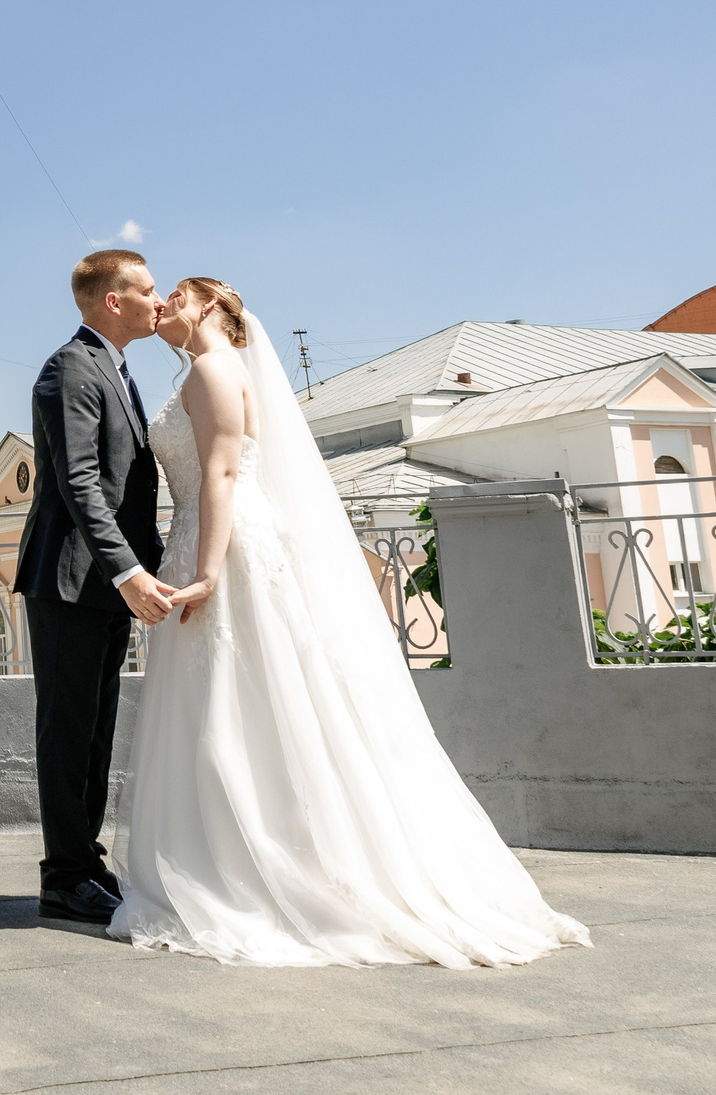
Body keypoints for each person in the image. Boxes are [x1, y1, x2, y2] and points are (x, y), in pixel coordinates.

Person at [108, 275, 591, 966]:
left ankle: (255, 867)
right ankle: (234, 852)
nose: (164, 305)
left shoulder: (214, 370)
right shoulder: (208, 371)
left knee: (238, 701)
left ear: (212, 305)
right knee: (235, 701)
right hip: (204, 537)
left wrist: (208, 572)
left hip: (225, 546)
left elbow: (222, 475)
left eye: (178, 294)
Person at [13, 249, 180, 925]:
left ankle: (85, 862)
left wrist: (153, 565)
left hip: (104, 583)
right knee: (68, 731)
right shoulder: (70, 369)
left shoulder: (114, 368)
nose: (158, 300)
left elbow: (128, 488)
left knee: (95, 731)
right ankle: (63, 876)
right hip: (69, 579)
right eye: (147, 289)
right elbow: (79, 481)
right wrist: (128, 569)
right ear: (114, 300)